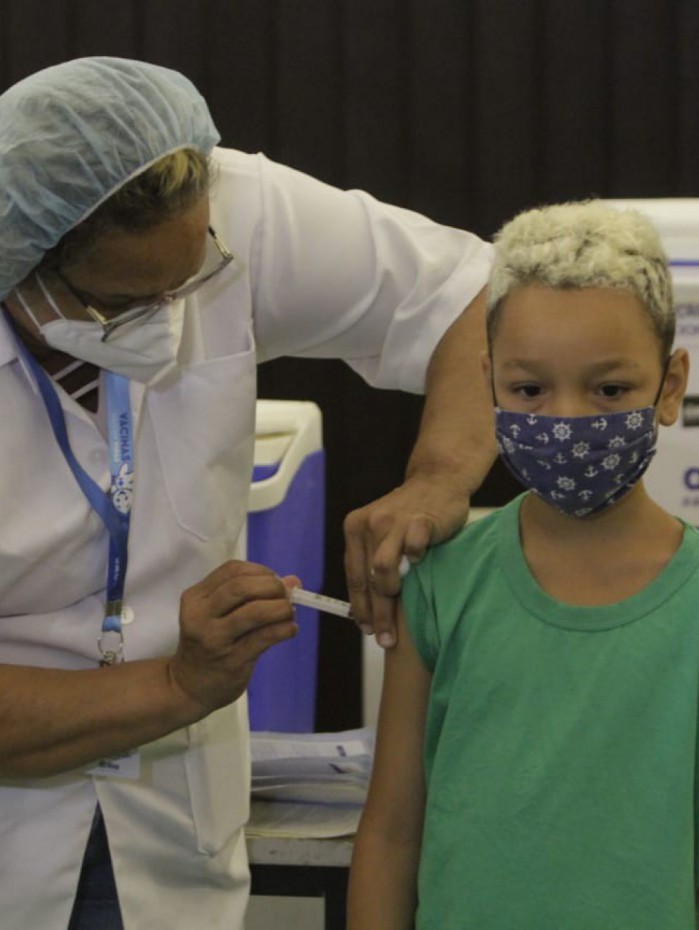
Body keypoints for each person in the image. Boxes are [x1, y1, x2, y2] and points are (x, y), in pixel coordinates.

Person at [0, 57, 495, 929]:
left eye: (189, 279)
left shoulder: (227, 204)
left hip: (170, 818)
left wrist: (439, 478)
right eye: (128, 300)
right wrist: (184, 683)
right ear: (18, 265)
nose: (169, 312)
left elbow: (481, 297)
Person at [348, 200, 699, 929]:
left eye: (608, 389)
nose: (566, 421)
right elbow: (390, 833)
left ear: (668, 387)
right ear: (488, 385)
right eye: (529, 389)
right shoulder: (445, 583)